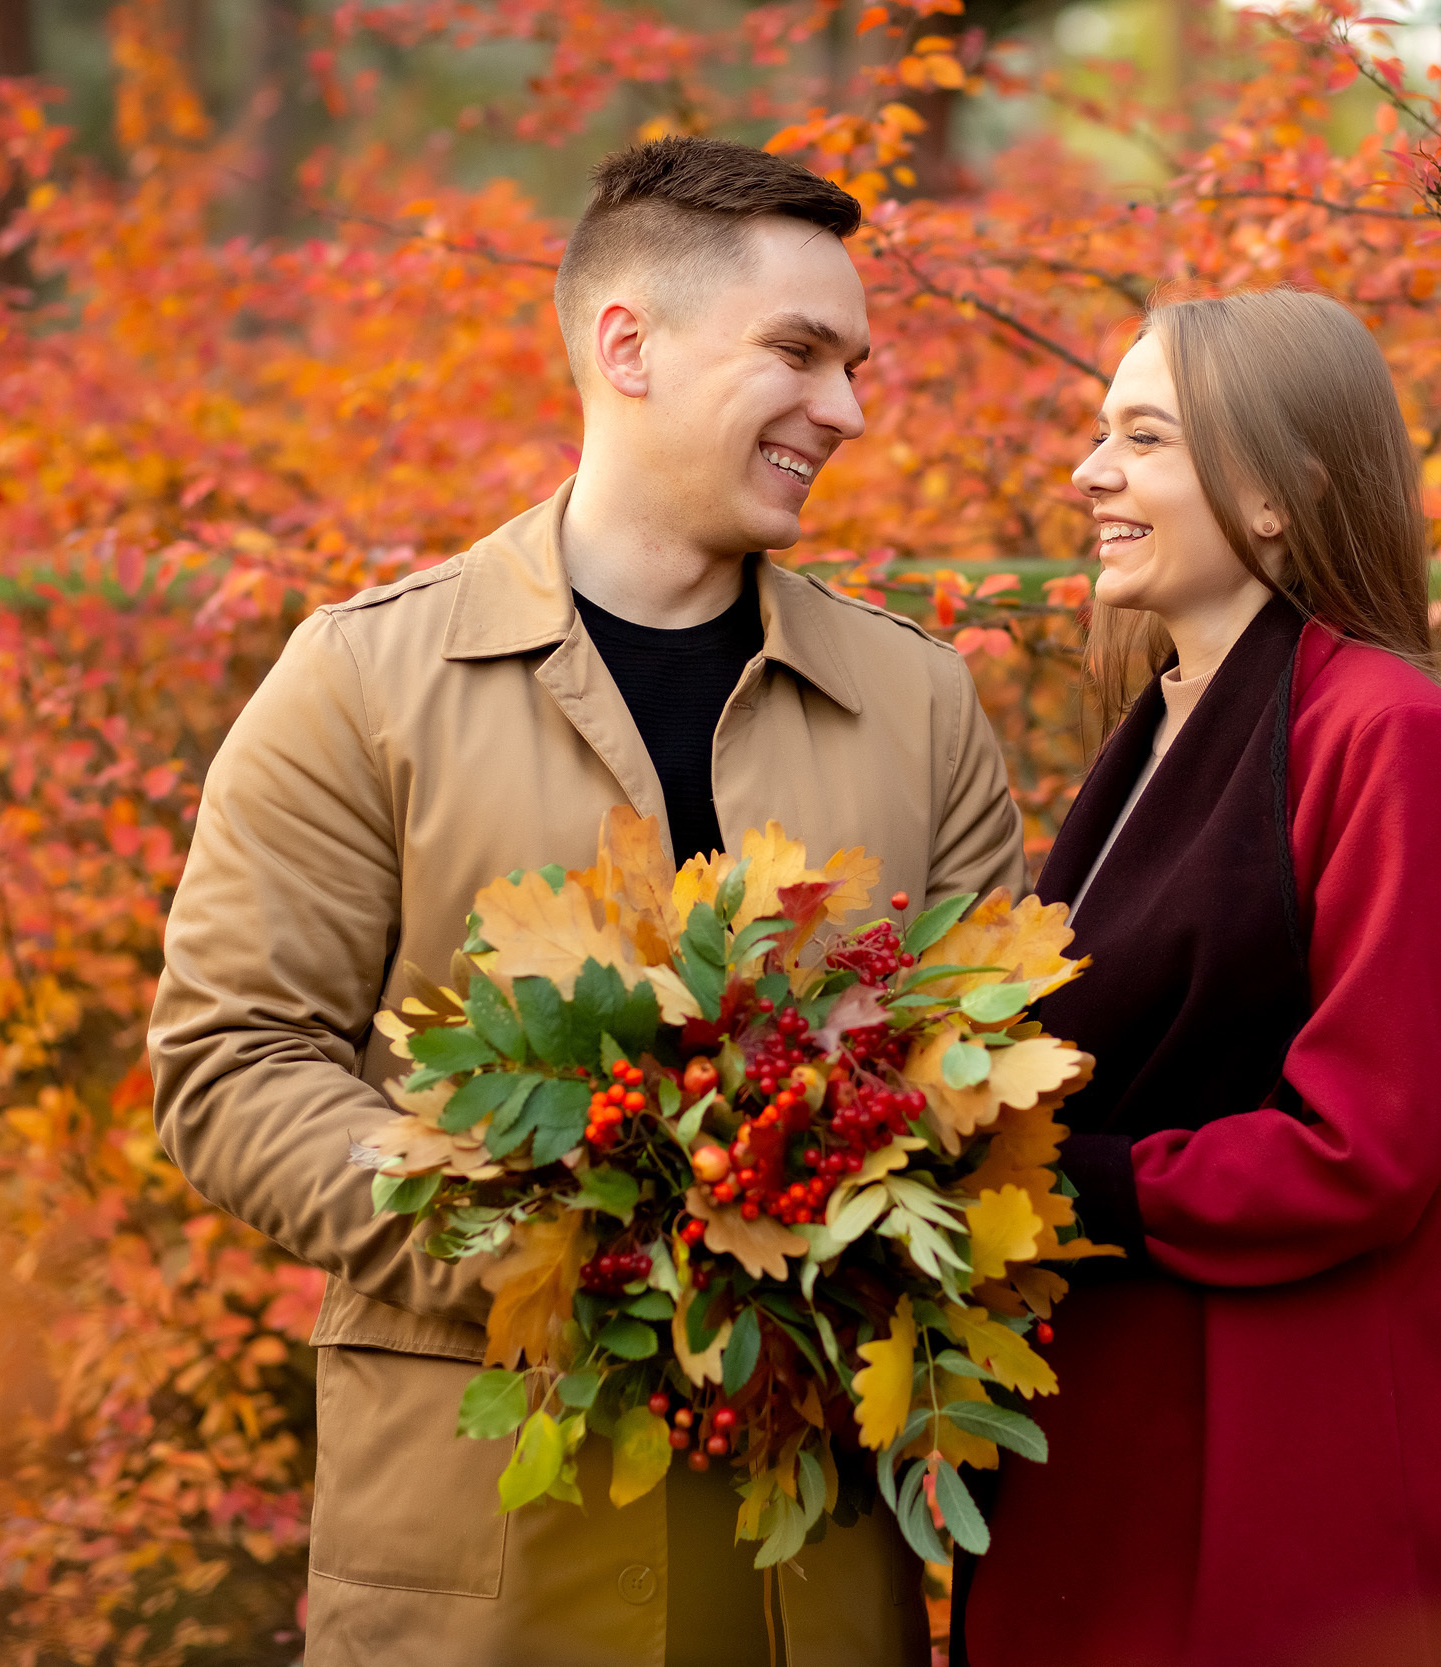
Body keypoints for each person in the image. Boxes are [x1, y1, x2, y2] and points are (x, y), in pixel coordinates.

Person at [150, 136, 1025, 1667]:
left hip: (804, 1572)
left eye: (857, 363)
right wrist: (545, 1248)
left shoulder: (917, 702)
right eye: (800, 353)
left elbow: (996, 1078)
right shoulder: (365, 683)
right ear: (627, 343)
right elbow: (230, 1061)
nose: (849, 409)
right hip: (484, 1553)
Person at [955, 290, 1441, 1665]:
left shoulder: (1393, 737)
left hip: (1285, 1464)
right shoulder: (1159, 726)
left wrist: (1057, 1181)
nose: (1091, 472)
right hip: (1111, 1440)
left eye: (1144, 438)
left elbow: (1367, 1147)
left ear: (1277, 495)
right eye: (1102, 434)